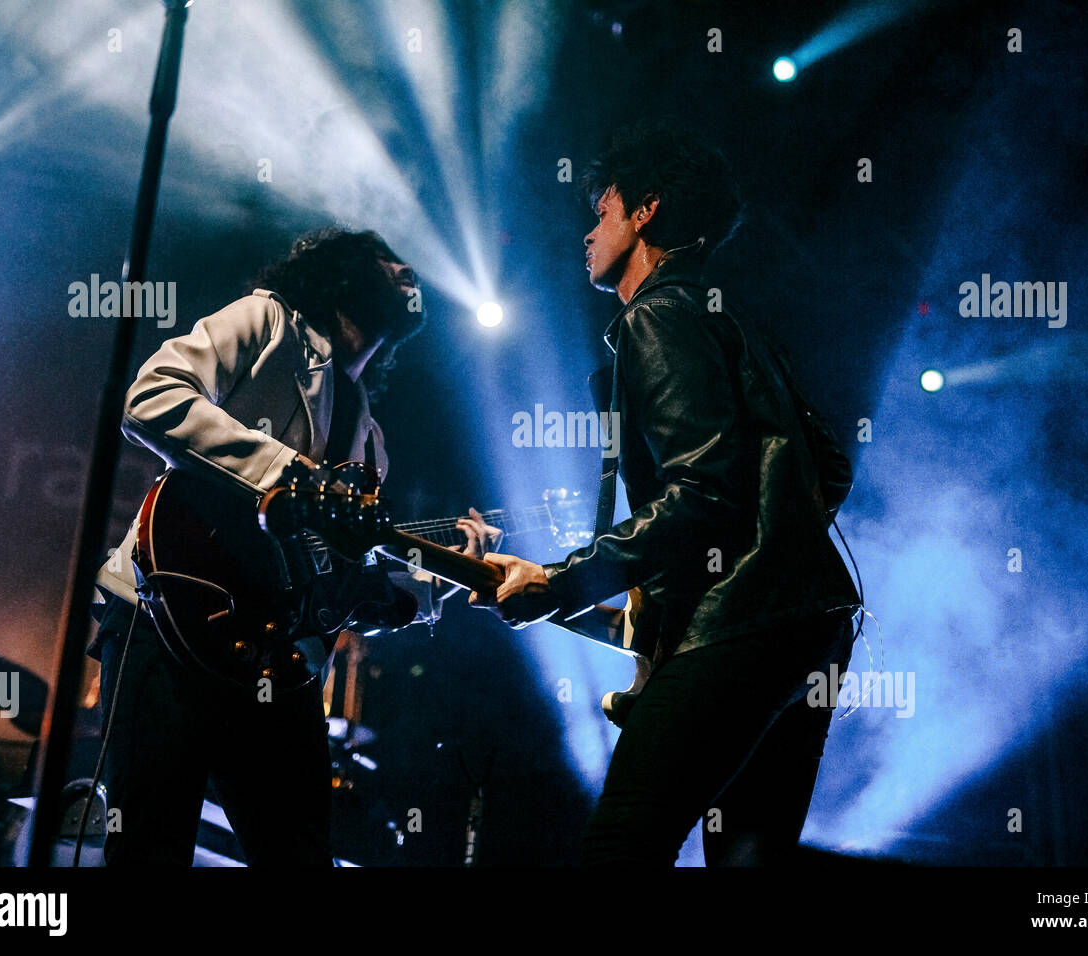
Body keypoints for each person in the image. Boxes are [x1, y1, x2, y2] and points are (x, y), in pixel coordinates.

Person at [472, 122, 863, 865]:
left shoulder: (656, 314)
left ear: (646, 210)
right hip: (811, 625)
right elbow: (830, 466)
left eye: (603, 211)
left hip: (739, 625)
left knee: (623, 843)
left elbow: (703, 490)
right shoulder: (732, 319)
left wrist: (560, 579)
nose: (590, 233)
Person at [87, 227, 501, 865]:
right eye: (388, 259)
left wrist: (444, 569)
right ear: (342, 272)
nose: (409, 269)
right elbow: (152, 397)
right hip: (163, 613)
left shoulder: (370, 444)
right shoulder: (267, 321)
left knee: (299, 854)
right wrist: (293, 475)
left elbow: (341, 586)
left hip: (274, 660)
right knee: (148, 847)